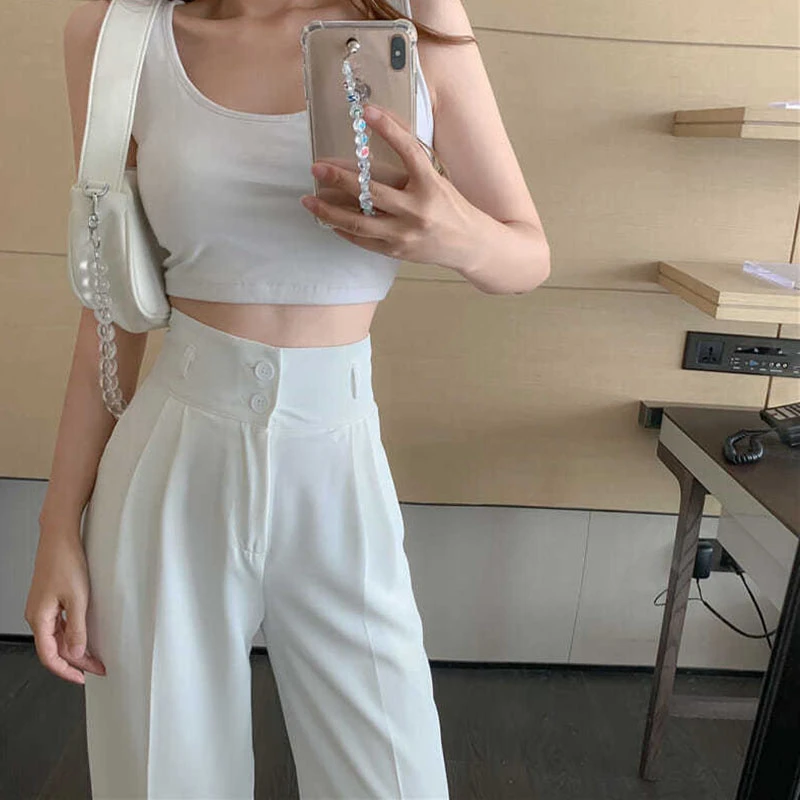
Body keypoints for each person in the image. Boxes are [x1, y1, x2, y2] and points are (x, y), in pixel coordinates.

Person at [24, 0, 550, 796]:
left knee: (393, 778)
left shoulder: (416, 19)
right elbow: (110, 309)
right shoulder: (117, 34)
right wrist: (58, 527)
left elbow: (527, 254)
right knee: (162, 778)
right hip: (171, 461)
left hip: (339, 462)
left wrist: (453, 234)